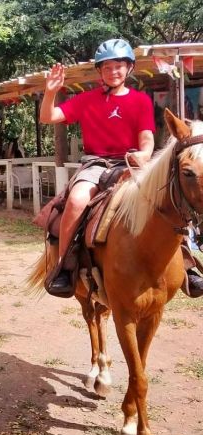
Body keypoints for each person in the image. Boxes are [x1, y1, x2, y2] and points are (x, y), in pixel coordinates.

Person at [40, 38, 156, 297]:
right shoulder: (86, 100)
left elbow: (147, 139)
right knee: (78, 199)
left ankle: (187, 262)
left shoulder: (141, 101)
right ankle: (64, 266)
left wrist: (144, 154)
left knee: (166, 195)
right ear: (99, 72)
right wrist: (50, 92)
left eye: (118, 66)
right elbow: (48, 117)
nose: (113, 72)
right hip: (96, 164)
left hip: (129, 162)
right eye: (107, 67)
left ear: (129, 68)